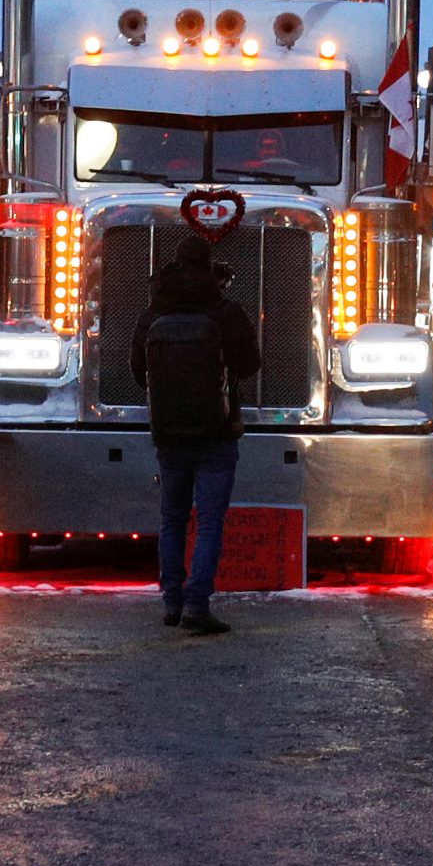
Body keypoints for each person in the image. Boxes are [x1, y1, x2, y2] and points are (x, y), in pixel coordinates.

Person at [130, 236, 261, 635]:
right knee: (208, 523)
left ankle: (171, 602)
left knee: (172, 519)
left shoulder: (153, 313)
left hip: (168, 433)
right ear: (209, 266)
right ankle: (197, 605)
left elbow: (139, 373)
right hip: (217, 432)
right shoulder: (225, 311)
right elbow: (250, 364)